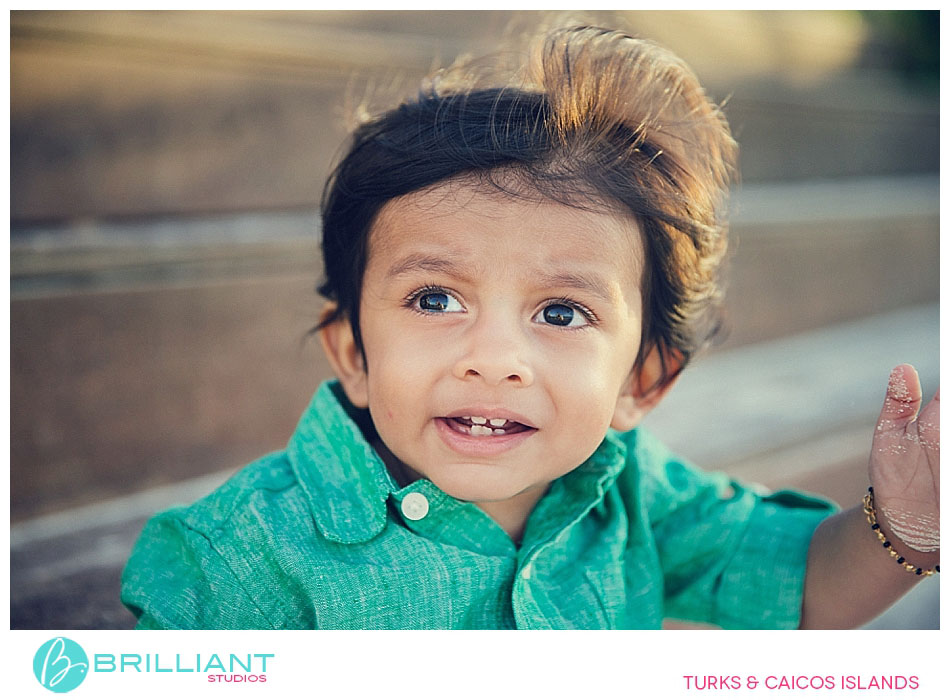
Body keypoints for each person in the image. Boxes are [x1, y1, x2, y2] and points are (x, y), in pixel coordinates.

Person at [121, 24, 939, 630]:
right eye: (435, 299)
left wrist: (906, 526)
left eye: (560, 312)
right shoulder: (242, 558)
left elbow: (801, 583)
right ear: (352, 355)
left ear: (642, 382)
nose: (494, 359)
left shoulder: (634, 497)